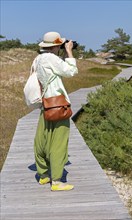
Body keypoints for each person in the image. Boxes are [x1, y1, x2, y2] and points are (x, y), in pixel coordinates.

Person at [33, 31, 78, 191]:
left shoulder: (38, 59)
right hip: (59, 105)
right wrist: (70, 52)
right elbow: (71, 71)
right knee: (59, 142)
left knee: (42, 139)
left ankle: (43, 175)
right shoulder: (51, 58)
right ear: (57, 45)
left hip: (45, 104)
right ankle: (57, 181)